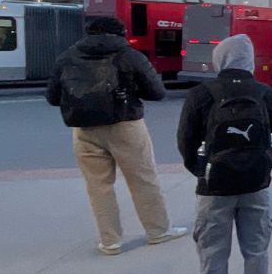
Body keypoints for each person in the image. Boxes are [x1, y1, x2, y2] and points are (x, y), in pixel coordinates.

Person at [177, 34, 272, 274]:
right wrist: (263, 167)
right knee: (256, 250)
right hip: (256, 185)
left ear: (219, 59)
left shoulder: (201, 94)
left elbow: (185, 144)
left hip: (214, 188)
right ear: (249, 60)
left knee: (213, 252)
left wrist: (203, 172)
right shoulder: (266, 94)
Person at [46, 16, 186, 256]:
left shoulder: (67, 56)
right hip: (125, 125)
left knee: (98, 186)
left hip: (84, 129)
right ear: (120, 32)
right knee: (143, 179)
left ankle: (110, 241)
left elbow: (52, 97)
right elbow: (157, 92)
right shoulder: (129, 55)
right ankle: (158, 231)